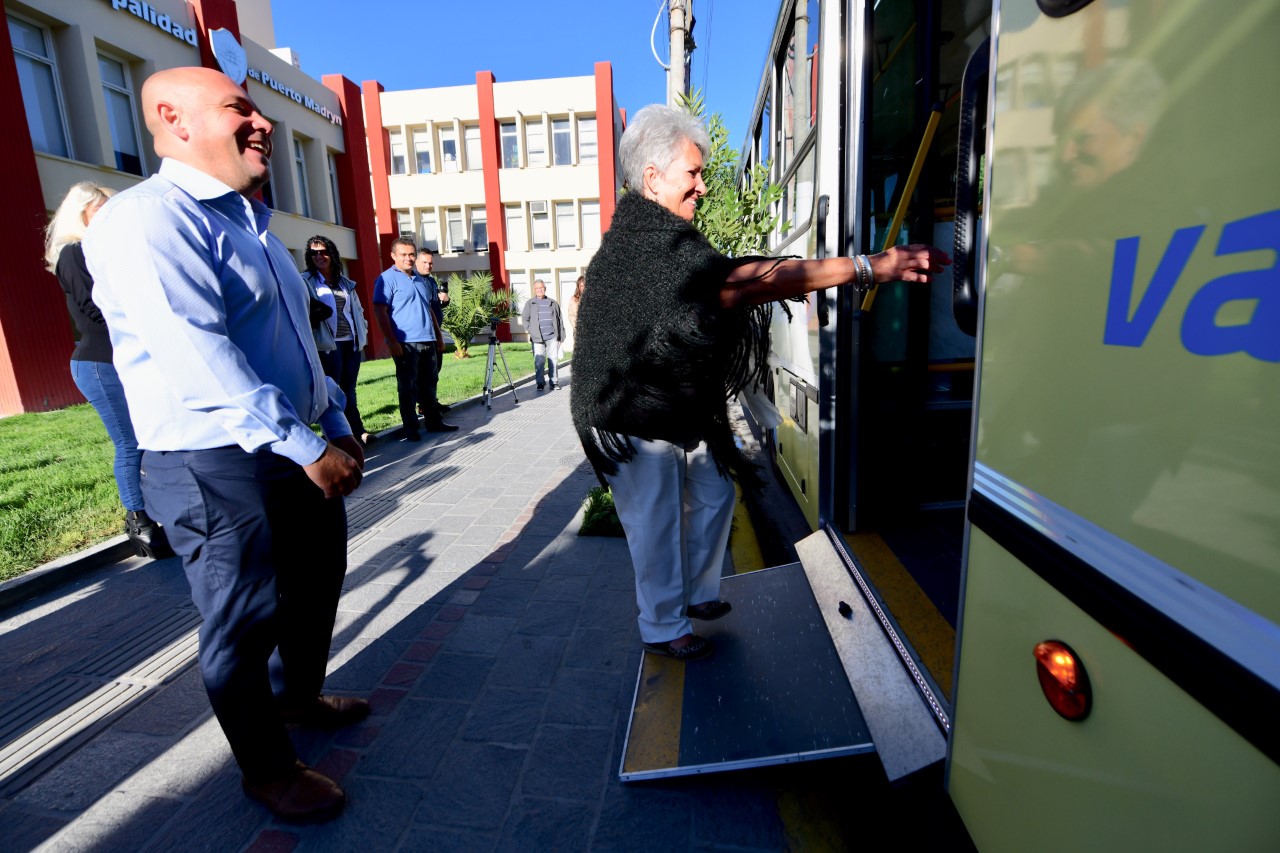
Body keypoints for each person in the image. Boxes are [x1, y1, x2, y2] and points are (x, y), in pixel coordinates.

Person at [83, 67, 367, 824]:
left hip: (293, 444)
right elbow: (198, 355)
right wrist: (305, 444)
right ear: (172, 119)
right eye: (239, 107)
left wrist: (333, 421)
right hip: (212, 461)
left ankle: (298, 699)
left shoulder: (255, 228)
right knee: (243, 618)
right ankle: (266, 768)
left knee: (314, 585)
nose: (263, 122)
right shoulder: (148, 220)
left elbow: (299, 346)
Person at [570, 105, 950, 661]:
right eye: (692, 174)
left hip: (674, 406)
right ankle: (661, 627)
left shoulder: (661, 240)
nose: (701, 187)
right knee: (653, 521)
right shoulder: (641, 246)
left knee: (716, 487)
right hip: (626, 412)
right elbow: (744, 284)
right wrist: (870, 266)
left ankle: (697, 597)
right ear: (653, 179)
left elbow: (719, 291)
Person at [45, 182, 173, 560]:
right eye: (100, 209)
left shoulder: (105, 253)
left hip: (124, 360)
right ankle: (139, 524)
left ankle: (157, 514)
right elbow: (94, 310)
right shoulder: (74, 253)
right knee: (129, 444)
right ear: (80, 213)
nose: (108, 216)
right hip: (101, 364)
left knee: (151, 438)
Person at [372, 237, 458, 439]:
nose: (409, 258)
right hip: (405, 343)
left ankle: (434, 422)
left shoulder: (421, 280)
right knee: (408, 387)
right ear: (393, 256)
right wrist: (392, 341)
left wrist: (438, 336)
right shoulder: (386, 279)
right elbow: (379, 311)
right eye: (404, 254)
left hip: (428, 339)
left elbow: (428, 309)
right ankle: (411, 428)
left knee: (430, 384)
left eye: (412, 254)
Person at [303, 235, 373, 445]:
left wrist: (364, 331)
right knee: (332, 391)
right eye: (314, 253)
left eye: (323, 251)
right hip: (327, 344)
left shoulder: (345, 283)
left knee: (349, 389)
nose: (319, 256)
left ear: (331, 254)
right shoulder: (306, 281)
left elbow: (357, 311)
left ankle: (356, 431)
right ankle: (335, 435)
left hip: (350, 342)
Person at [413, 247, 451, 415]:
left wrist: (445, 300)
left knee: (435, 371)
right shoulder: (414, 280)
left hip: (436, 332)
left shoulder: (431, 281)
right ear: (416, 262)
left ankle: (432, 402)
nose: (428, 266)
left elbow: (434, 305)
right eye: (424, 263)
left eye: (430, 263)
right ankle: (423, 405)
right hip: (422, 334)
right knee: (424, 373)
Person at [521, 279, 565, 391]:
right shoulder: (530, 303)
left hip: (552, 337)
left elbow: (559, 320)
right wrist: (531, 330)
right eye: (537, 288)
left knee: (553, 360)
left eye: (542, 287)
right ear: (534, 290)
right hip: (537, 338)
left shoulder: (553, 303)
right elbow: (525, 319)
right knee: (539, 361)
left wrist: (561, 335)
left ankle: (554, 382)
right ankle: (540, 383)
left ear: (545, 289)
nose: (540, 290)